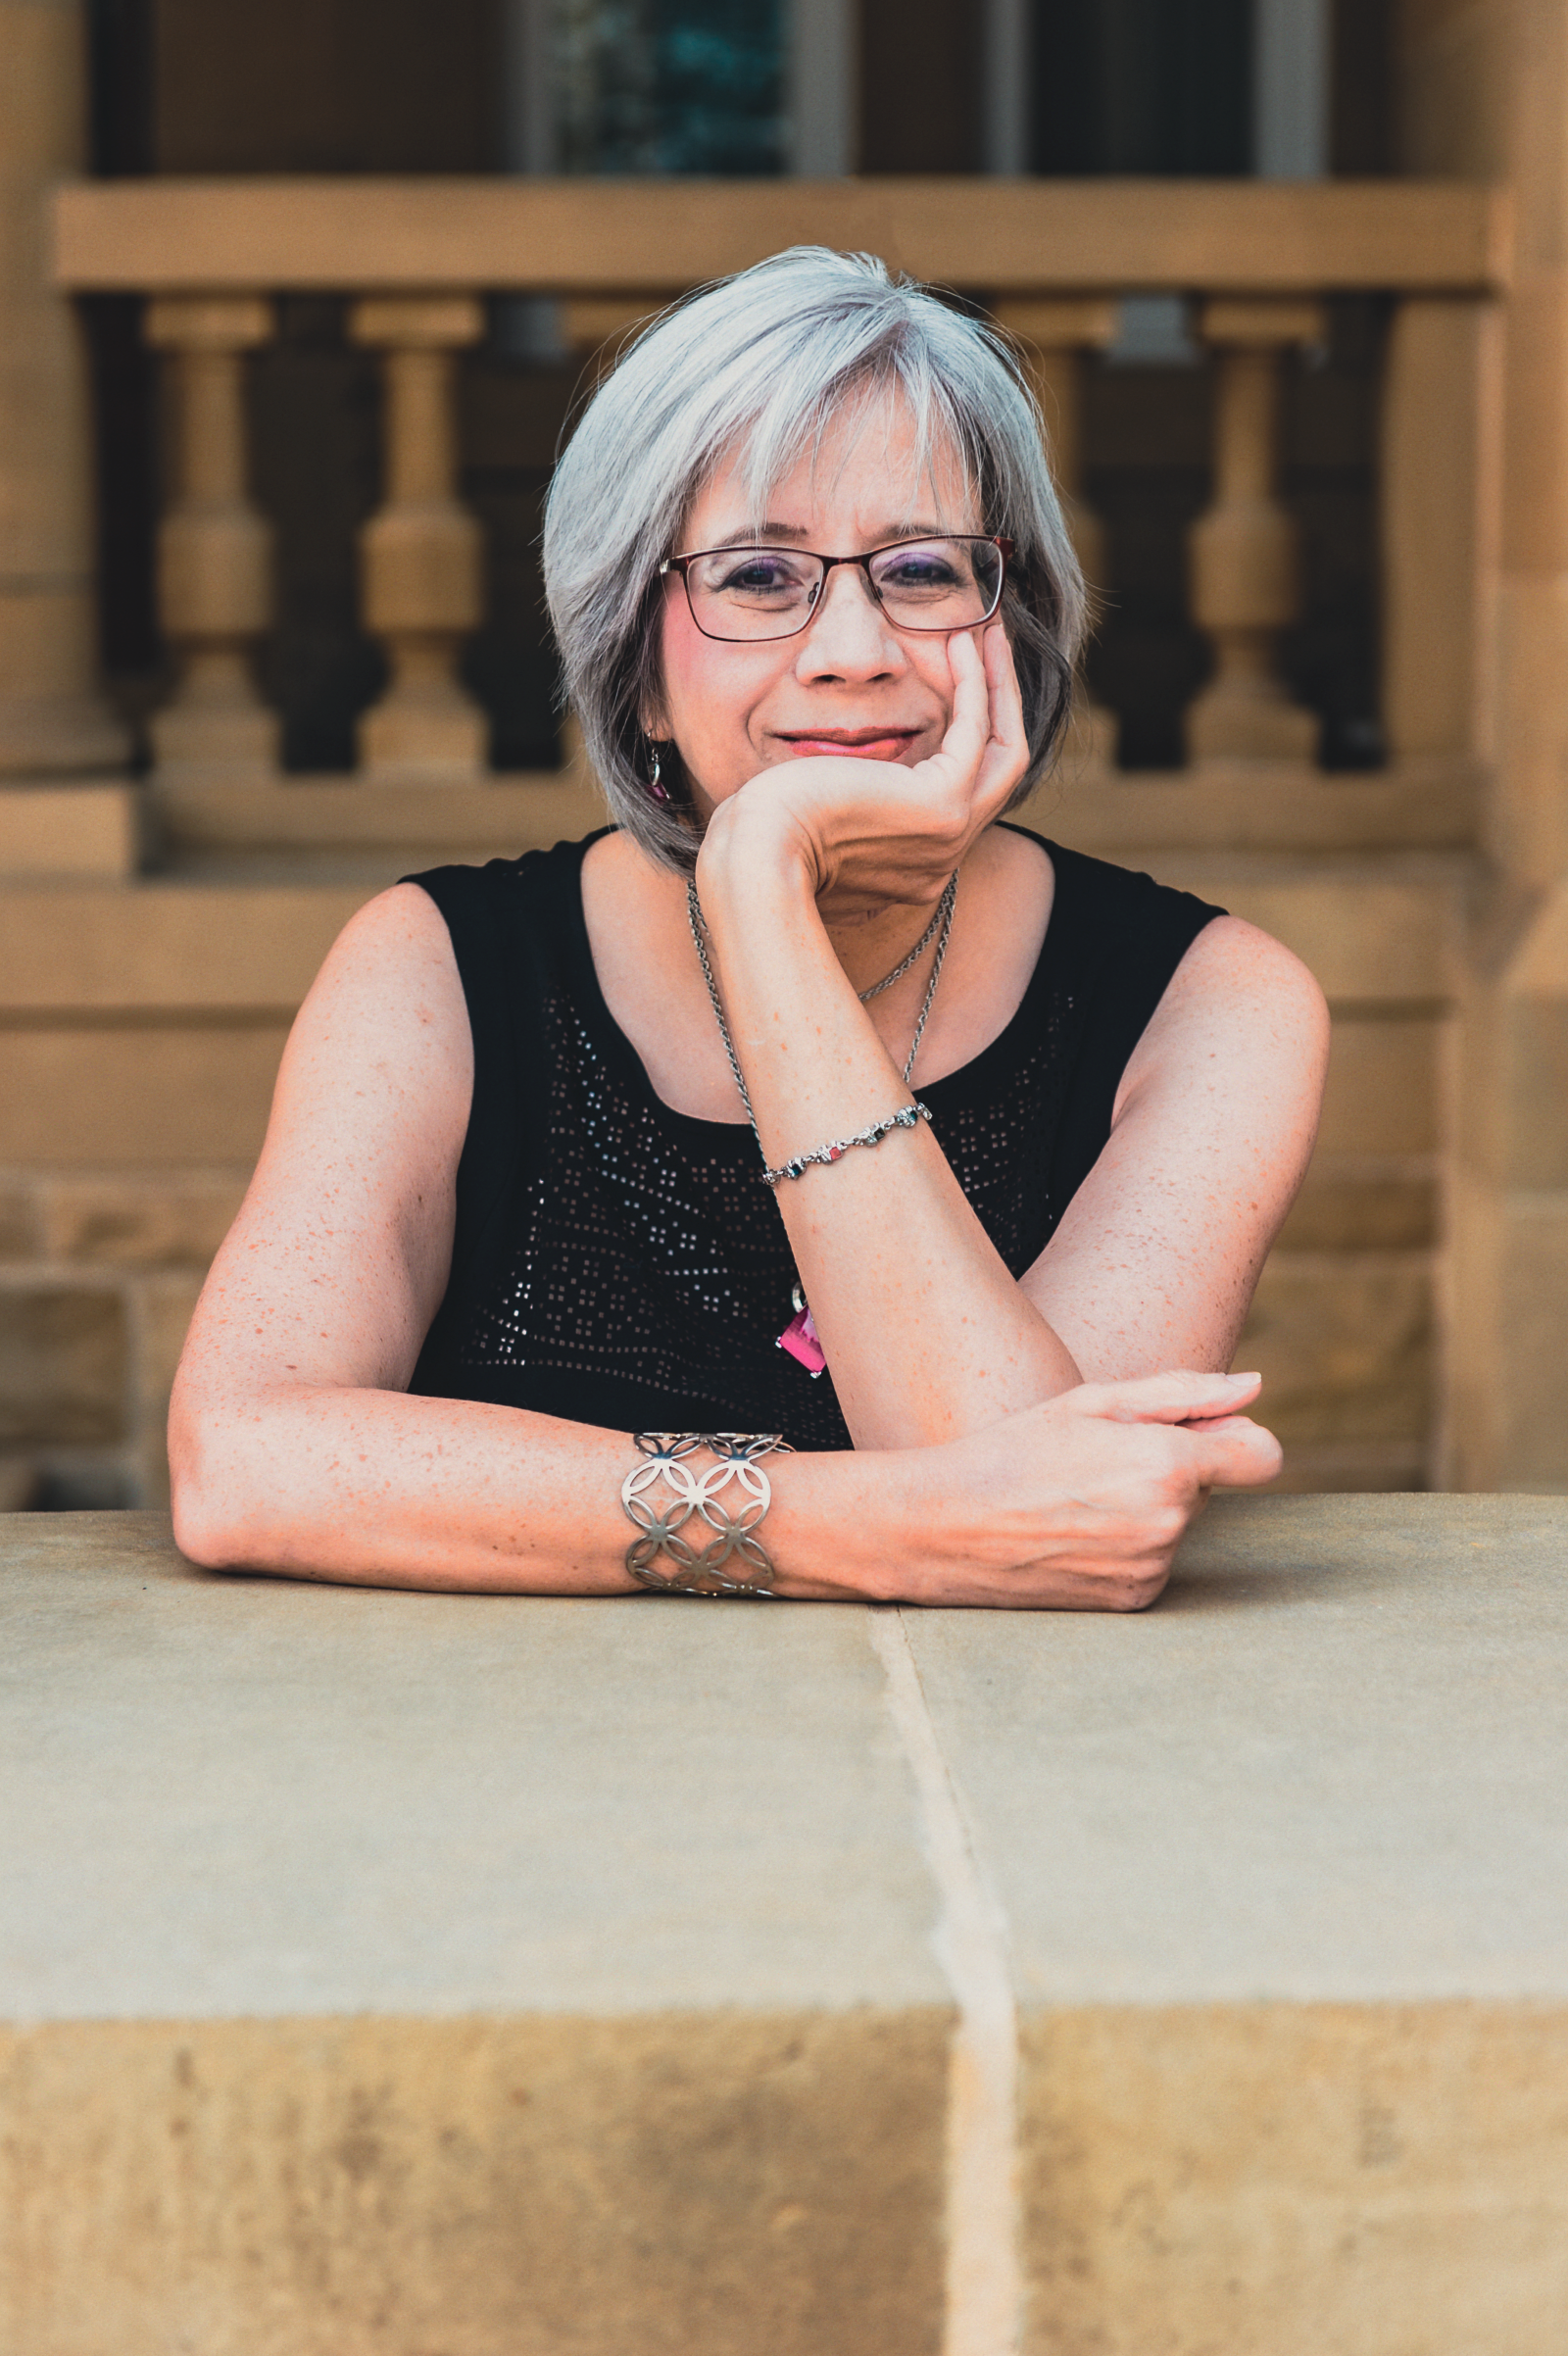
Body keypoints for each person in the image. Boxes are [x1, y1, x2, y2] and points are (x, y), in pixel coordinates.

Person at [170, 247, 1327, 1609]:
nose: (854, 646)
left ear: (1012, 621)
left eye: (920, 568)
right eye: (761, 577)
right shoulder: (433, 968)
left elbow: (1030, 1536)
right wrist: (846, 1527)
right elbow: (243, 1459)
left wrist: (767, 901)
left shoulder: (1214, 1006)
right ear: (637, 667)